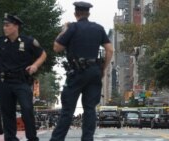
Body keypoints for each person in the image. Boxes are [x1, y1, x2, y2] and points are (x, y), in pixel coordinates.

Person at [49, 1, 113, 141]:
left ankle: (57, 139)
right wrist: (102, 68)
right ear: (88, 13)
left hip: (76, 73)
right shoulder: (99, 28)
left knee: (67, 110)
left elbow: (57, 47)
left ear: (75, 13)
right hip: (94, 72)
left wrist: (64, 29)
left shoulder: (72, 27)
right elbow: (110, 50)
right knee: (90, 109)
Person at [0, 13, 47, 141]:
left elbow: (43, 54)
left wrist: (35, 66)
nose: (4, 28)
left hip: (21, 82)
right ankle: (10, 138)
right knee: (7, 113)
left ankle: (32, 138)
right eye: (4, 25)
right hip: (5, 82)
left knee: (27, 109)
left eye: (7, 25)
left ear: (16, 27)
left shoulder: (28, 41)